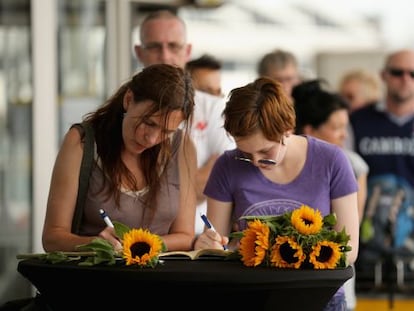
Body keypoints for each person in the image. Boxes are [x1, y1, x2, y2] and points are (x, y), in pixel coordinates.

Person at [194, 77, 360, 311]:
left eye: (265, 150)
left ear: (287, 129)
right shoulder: (227, 165)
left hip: (318, 298)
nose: (255, 161)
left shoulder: (331, 161)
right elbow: (217, 245)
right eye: (245, 153)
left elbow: (349, 249)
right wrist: (209, 243)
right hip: (249, 295)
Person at [42, 63, 197, 252]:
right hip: (97, 278)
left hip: (160, 279)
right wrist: (95, 244)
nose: (152, 138)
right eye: (148, 123)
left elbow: (185, 236)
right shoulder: (82, 142)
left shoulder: (182, 146)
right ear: (128, 99)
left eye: (166, 131)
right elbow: (52, 238)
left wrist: (139, 245)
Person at [134, 10, 235, 235]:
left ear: (187, 51)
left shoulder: (214, 107)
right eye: (154, 47)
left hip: (201, 242)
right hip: (135, 242)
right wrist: (191, 181)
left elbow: (220, 176)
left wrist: (147, 193)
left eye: (173, 46)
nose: (165, 56)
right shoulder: (124, 108)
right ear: (139, 52)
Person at [292, 79, 369, 311]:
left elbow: (350, 227)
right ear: (309, 130)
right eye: (336, 127)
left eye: (345, 127)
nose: (344, 135)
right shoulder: (284, 162)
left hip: (334, 278)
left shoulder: (352, 163)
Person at [350, 49, 414, 291]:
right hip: (366, 244)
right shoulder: (357, 120)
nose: (405, 79)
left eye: (412, 73)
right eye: (398, 72)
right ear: (384, 75)